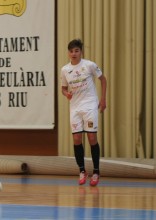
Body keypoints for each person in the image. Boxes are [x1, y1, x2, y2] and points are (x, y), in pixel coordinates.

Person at [60, 39, 107, 187]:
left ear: (81, 52)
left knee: (92, 137)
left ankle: (96, 172)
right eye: (71, 51)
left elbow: (103, 80)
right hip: (75, 107)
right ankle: (82, 171)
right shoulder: (65, 70)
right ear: (68, 53)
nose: (73, 53)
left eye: (76, 51)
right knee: (77, 140)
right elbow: (63, 88)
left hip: (90, 105)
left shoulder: (89, 65)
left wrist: (103, 99)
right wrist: (66, 93)